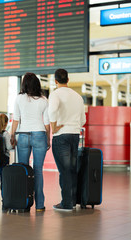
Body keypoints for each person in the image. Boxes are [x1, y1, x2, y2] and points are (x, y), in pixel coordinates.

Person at [10, 72, 50, 212]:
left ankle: (24, 203)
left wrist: (12, 135)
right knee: (38, 170)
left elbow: (16, 119)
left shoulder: (19, 98)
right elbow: (46, 123)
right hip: (39, 134)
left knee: (24, 170)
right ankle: (39, 205)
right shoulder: (44, 100)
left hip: (23, 134)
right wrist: (48, 138)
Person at [48, 68, 86, 212]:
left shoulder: (55, 94)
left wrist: (54, 127)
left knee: (64, 171)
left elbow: (52, 111)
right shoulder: (77, 96)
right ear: (68, 80)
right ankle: (73, 200)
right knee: (72, 169)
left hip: (61, 136)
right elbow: (83, 120)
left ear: (55, 81)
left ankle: (66, 203)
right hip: (75, 135)